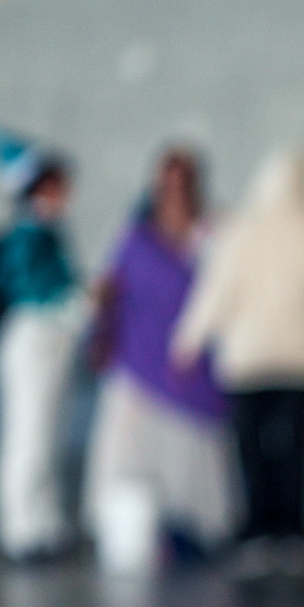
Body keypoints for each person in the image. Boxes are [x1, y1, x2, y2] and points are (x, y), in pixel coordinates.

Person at [172, 148, 304, 578]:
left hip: (246, 361)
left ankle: (257, 532)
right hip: (302, 362)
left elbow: (215, 293)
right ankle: (293, 534)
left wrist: (187, 343)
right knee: (295, 451)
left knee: (250, 450)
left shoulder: (240, 232)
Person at [84, 147, 236, 565]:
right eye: (167, 183)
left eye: (182, 182)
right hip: (138, 360)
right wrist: (99, 330)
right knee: (131, 453)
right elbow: (109, 288)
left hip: (193, 363)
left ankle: (197, 527)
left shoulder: (213, 231)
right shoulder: (134, 236)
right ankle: (135, 531)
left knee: (193, 451)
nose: (175, 192)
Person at [0, 136, 89, 562]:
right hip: (32, 341)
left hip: (53, 344)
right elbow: (34, 291)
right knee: (27, 434)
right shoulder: (23, 238)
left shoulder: (49, 233)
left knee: (48, 435)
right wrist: (82, 302)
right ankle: (19, 528)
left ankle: (45, 521)